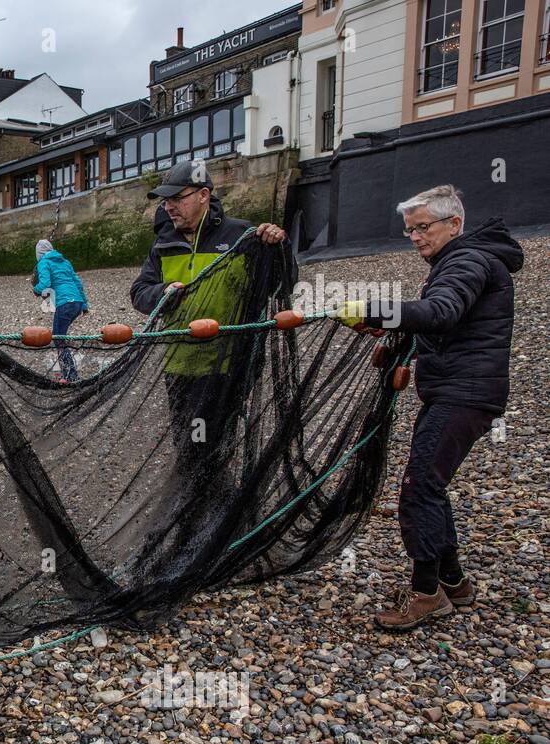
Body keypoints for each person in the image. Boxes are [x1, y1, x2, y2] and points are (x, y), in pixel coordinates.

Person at [331, 185, 523, 630]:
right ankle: (455, 583)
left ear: (454, 224)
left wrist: (375, 310)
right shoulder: (459, 260)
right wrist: (402, 340)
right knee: (431, 483)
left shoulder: (467, 261)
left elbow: (440, 313)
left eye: (423, 227)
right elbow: (448, 326)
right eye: (409, 230)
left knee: (419, 487)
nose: (415, 237)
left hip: (465, 395)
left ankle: (426, 593)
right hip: (458, 391)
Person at [130, 161, 291, 479]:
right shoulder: (164, 245)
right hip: (179, 365)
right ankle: (200, 493)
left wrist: (279, 248)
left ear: (204, 195)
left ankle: (208, 495)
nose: (170, 207)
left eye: (178, 198)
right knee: (189, 439)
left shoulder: (240, 237)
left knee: (208, 439)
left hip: (226, 365)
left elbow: (282, 285)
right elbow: (139, 293)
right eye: (166, 201)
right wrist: (163, 292)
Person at [32, 239, 89, 383]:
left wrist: (35, 289)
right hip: (76, 302)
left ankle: (70, 376)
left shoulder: (43, 263)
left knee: (58, 340)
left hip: (64, 304)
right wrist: (84, 305)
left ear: (39, 254)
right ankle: (67, 373)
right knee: (61, 337)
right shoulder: (65, 262)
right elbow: (77, 282)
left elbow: (45, 284)